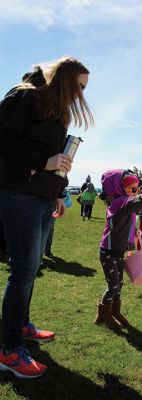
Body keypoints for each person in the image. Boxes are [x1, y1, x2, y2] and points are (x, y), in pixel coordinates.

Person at [0, 56, 94, 378]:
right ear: (64, 79)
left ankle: (21, 325)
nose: (82, 94)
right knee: (23, 269)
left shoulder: (60, 114)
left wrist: (58, 191)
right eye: (80, 86)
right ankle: (9, 350)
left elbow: (57, 159)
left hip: (42, 197)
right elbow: (3, 143)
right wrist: (46, 160)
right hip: (17, 194)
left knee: (32, 268)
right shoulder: (23, 96)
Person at [94, 169, 142, 330]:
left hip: (118, 251)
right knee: (113, 285)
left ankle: (114, 312)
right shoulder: (118, 203)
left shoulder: (123, 201)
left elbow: (126, 220)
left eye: (136, 188)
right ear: (119, 187)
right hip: (108, 252)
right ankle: (103, 315)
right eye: (131, 188)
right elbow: (134, 203)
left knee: (119, 284)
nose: (134, 192)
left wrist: (134, 232)